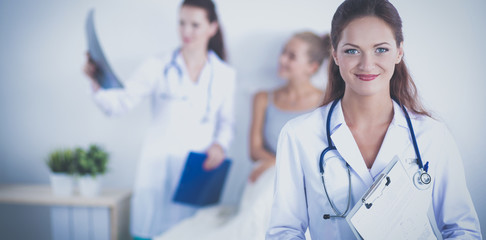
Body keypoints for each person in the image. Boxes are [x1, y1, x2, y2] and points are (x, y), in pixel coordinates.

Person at [266, 0, 482, 239]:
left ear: (399, 51)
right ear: (335, 54)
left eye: (380, 49)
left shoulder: (432, 135)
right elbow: (284, 231)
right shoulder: (299, 135)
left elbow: (462, 229)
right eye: (352, 50)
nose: (367, 64)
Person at [155, 31, 330, 240]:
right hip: (265, 173)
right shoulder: (263, 97)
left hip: (304, 177)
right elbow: (255, 150)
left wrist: (281, 165)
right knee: (269, 188)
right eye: (283, 52)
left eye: (291, 56)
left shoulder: (326, 102)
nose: (282, 59)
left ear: (312, 67)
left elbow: (323, 153)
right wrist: (276, 164)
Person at [83, 0, 236, 239]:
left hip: (197, 174)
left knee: (193, 233)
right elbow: (120, 104)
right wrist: (96, 82)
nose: (186, 31)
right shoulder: (157, 66)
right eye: (182, 23)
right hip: (156, 170)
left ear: (212, 28)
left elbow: (227, 123)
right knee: (149, 231)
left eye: (195, 25)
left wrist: (220, 145)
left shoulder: (225, 75)